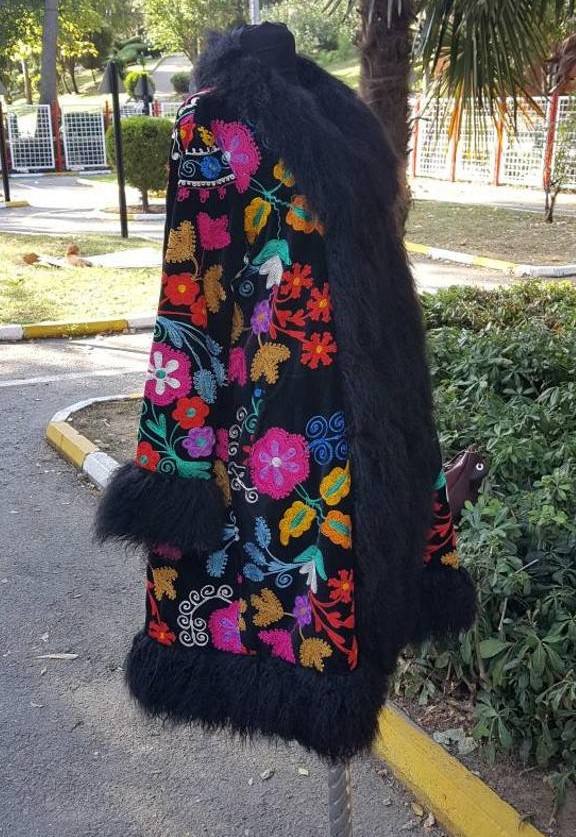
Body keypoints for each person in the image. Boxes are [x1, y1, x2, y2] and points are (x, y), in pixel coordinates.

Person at [96, 22, 476, 761]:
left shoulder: (330, 119)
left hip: (356, 436)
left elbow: (382, 305)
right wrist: (178, 473)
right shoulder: (224, 121)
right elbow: (193, 301)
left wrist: (411, 445)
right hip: (289, 441)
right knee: (315, 631)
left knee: (354, 620)